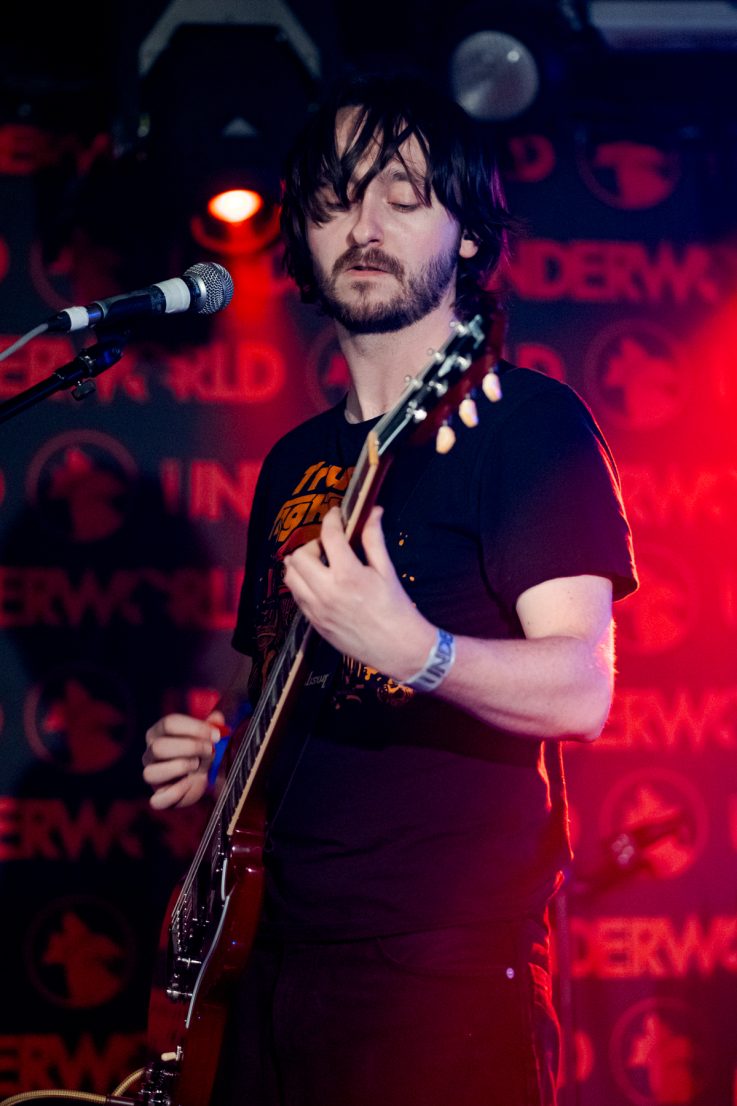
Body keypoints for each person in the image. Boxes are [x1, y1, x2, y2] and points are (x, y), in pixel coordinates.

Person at [142, 71, 637, 1106]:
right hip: (268, 955)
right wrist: (225, 751)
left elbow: (578, 689)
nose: (361, 223)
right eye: (333, 197)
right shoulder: (291, 461)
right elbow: (289, 694)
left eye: (401, 194)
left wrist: (417, 647)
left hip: (442, 968)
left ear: (464, 233)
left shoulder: (523, 424)